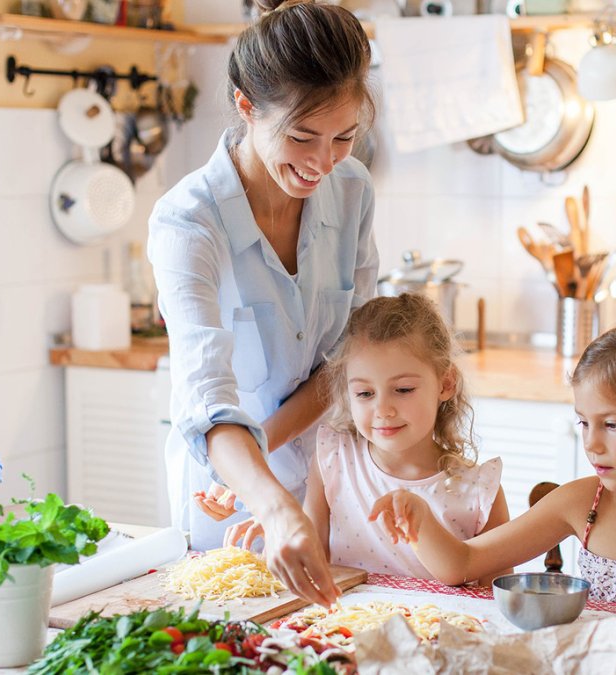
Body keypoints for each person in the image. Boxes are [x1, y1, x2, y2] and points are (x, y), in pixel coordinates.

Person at [147, 0, 376, 607]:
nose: (323, 162)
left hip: (334, 485)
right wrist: (271, 503)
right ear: (246, 106)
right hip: (228, 502)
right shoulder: (188, 222)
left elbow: (350, 359)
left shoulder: (352, 190)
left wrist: (284, 474)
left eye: (344, 137)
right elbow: (206, 400)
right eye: (301, 137)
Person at [370, 321, 616, 629]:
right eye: (584, 423)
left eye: (613, 425)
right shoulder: (585, 502)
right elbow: (463, 563)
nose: (592, 444)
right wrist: (419, 517)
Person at [226, 294, 512, 585]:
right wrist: (282, 531)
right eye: (365, 394)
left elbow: (495, 605)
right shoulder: (332, 458)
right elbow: (315, 561)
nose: (383, 410)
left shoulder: (480, 491)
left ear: (446, 384)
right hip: (347, 629)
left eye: (403, 389)